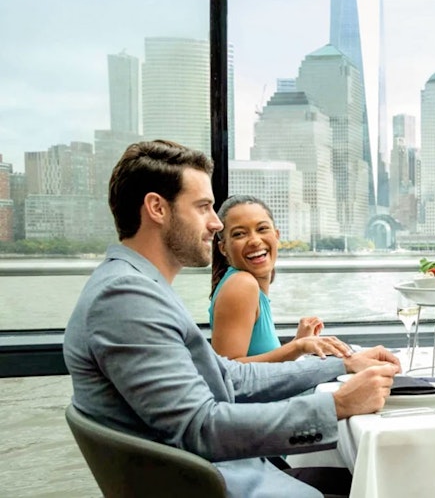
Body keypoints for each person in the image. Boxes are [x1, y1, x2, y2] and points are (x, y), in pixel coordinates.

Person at [64, 140, 400, 498]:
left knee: (375, 478)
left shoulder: (139, 287)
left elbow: (231, 376)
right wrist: (337, 405)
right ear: (157, 208)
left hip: (237, 476)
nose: (215, 223)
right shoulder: (125, 298)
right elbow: (201, 427)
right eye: (203, 207)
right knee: (397, 482)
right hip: (227, 487)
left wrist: (341, 366)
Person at [210, 194, 351, 362]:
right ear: (223, 248)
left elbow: (260, 363)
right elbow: (226, 372)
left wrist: (299, 342)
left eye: (262, 229)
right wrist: (298, 347)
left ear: (276, 236)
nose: (254, 241)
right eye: (240, 234)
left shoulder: (248, 286)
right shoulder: (242, 284)